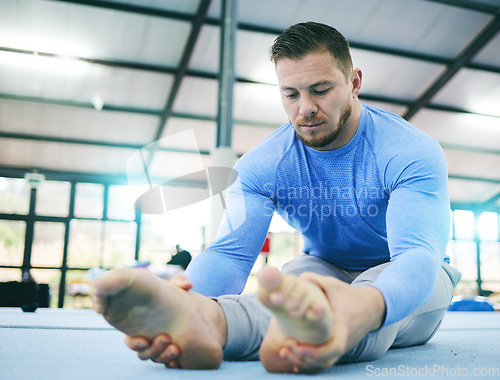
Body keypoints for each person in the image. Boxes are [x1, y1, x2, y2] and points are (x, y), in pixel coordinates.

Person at [93, 21, 462, 373]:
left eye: (320, 90)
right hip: (322, 266)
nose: (305, 108)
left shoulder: (409, 150)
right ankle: (210, 322)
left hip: (414, 277)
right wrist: (189, 299)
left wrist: (364, 306)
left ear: (354, 82)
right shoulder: (262, 164)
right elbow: (229, 254)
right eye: (290, 94)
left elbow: (415, 256)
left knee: (361, 298)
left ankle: (331, 324)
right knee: (295, 288)